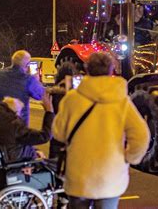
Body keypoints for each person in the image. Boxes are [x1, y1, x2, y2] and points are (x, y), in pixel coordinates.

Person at [52, 52, 150, 209]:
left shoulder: (72, 99)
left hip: (79, 177)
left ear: (87, 69)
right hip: (110, 177)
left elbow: (58, 132)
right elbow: (141, 135)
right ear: (111, 70)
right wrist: (129, 157)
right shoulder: (121, 101)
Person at [0, 95, 54, 203]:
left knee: (41, 157)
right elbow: (44, 136)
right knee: (52, 166)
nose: (20, 115)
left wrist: (34, 151)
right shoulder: (14, 125)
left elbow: (15, 144)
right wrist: (49, 112)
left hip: (7, 160)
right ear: (14, 111)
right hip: (18, 162)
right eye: (20, 112)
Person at [0, 50, 44, 125]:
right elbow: (40, 95)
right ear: (27, 65)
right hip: (17, 127)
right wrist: (36, 80)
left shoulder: (0, 74)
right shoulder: (28, 79)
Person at [47, 61, 78, 159]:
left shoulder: (53, 93)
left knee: (55, 163)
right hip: (72, 134)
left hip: (56, 133)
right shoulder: (76, 94)